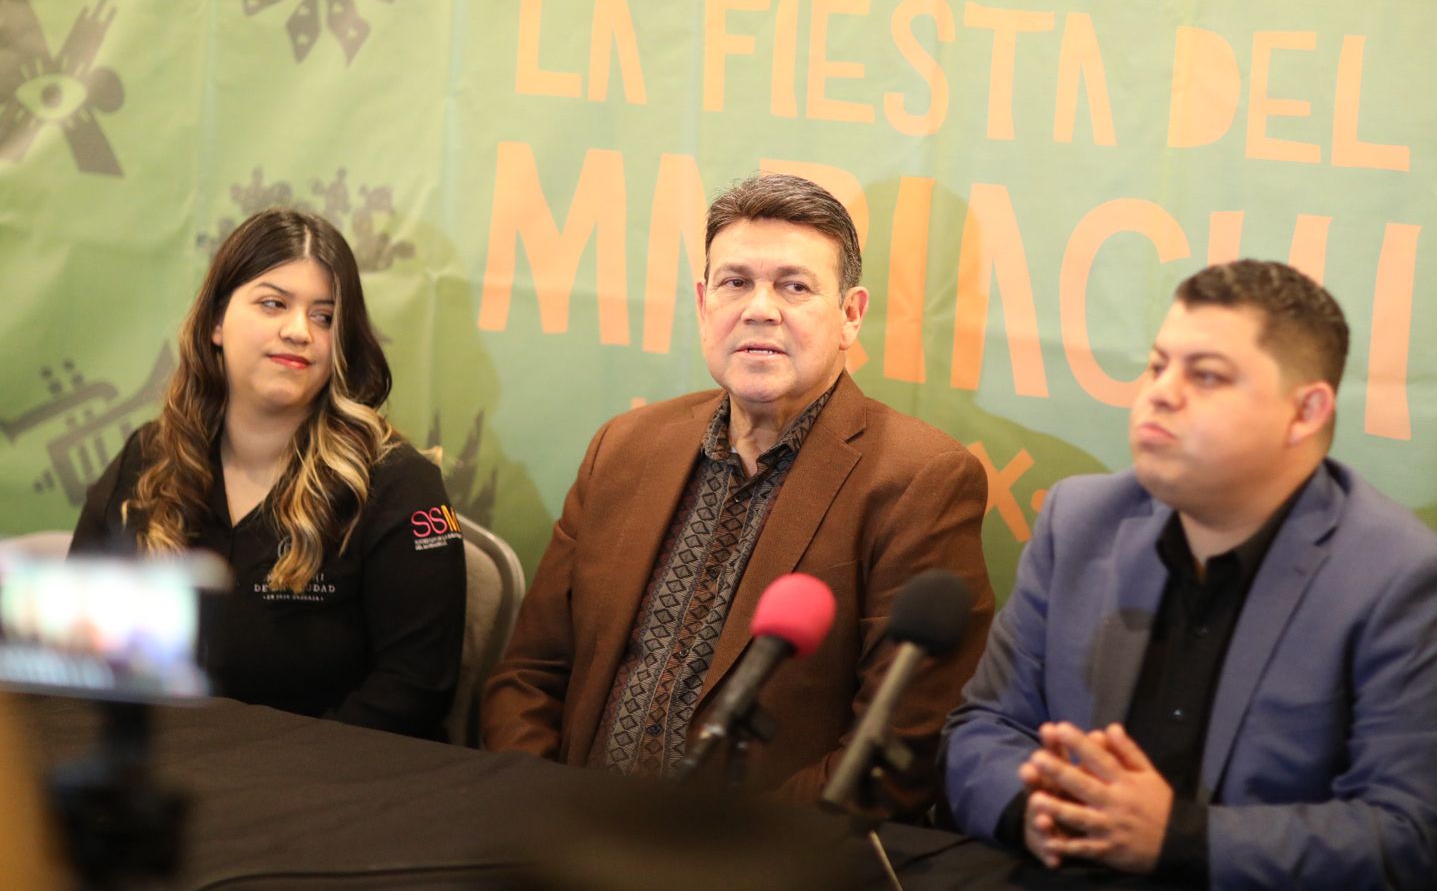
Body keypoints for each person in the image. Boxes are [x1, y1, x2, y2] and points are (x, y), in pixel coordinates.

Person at [942, 260, 1437, 889]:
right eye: (1157, 366)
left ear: (1305, 411)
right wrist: (1036, 813)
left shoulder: (1406, 581)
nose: (1161, 392)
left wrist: (1175, 838)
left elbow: (1409, 837)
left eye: (1205, 375)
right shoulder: (1080, 522)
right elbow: (982, 728)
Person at [481, 173, 993, 816]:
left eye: (794, 286)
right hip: (569, 833)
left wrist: (722, 852)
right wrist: (541, 808)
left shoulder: (919, 479)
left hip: (765, 853)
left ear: (851, 316)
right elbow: (529, 676)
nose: (760, 309)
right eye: (735, 282)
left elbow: (898, 745)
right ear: (704, 304)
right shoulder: (625, 448)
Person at [71, 209, 465, 740]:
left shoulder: (399, 484)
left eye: (324, 316)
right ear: (216, 322)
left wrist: (278, 771)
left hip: (326, 776)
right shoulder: (147, 459)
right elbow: (80, 644)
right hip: (156, 766)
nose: (299, 331)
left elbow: (414, 689)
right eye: (273, 303)